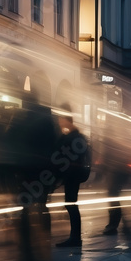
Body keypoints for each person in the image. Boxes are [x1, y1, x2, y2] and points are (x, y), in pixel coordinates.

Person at [3, 92, 56, 261]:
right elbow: (56, 145)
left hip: (25, 172)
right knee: (41, 211)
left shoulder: (20, 116)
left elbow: (8, 141)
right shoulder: (47, 118)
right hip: (44, 173)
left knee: (24, 215)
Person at [55, 104, 89, 247]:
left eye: (60, 119)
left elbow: (65, 156)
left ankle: (75, 238)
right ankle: (75, 237)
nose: (59, 121)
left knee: (71, 204)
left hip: (72, 174)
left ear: (65, 119)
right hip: (73, 174)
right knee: (71, 204)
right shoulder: (74, 136)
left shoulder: (71, 137)